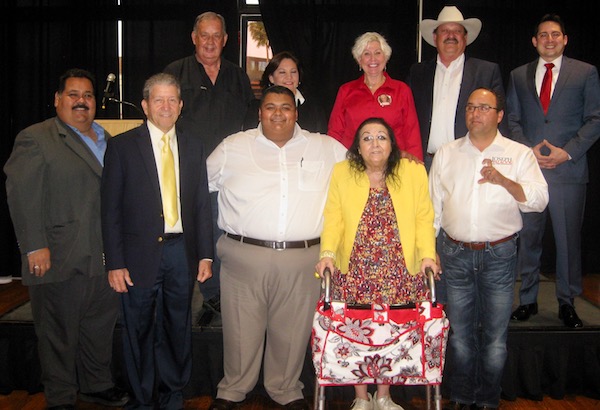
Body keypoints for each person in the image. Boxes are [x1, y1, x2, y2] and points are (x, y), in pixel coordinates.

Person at [207, 85, 346, 410]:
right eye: (270, 107)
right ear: (260, 112)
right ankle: (233, 390)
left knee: (293, 330)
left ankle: (285, 390)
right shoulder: (232, 147)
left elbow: (365, 173)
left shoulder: (325, 147)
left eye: (285, 107)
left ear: (296, 112)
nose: (278, 114)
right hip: (244, 258)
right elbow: (196, 187)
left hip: (303, 260)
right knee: (241, 331)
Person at [4, 68, 129, 410]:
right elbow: (21, 194)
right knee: (58, 333)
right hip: (58, 255)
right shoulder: (37, 138)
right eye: (73, 95)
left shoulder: (108, 140)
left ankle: (96, 385)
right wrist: (34, 246)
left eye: (87, 96)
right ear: (58, 100)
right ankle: (59, 397)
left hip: (104, 257)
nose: (81, 102)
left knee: (98, 328)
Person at [429, 88, 548, 410]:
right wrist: (430, 248)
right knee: (461, 335)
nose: (475, 113)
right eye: (470, 107)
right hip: (454, 253)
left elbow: (539, 201)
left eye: (483, 108)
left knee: (495, 337)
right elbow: (433, 207)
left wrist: (505, 181)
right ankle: (463, 397)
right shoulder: (447, 152)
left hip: (500, 253)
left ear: (498, 115)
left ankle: (487, 400)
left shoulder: (519, 153)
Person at [101, 73, 213, 409]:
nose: (166, 107)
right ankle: (142, 397)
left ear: (180, 106)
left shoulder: (194, 145)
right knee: (138, 330)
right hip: (136, 255)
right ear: (146, 105)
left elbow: (200, 205)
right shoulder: (121, 146)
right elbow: (110, 210)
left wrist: (205, 255)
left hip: (181, 252)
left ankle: (172, 394)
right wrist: (115, 262)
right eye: (158, 100)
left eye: (172, 100)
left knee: (178, 327)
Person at [316, 117, 438, 410]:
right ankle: (361, 398)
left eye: (381, 137)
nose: (374, 143)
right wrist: (327, 254)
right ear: (357, 147)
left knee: (391, 332)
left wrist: (428, 255)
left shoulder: (412, 171)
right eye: (367, 138)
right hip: (356, 266)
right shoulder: (342, 172)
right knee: (356, 330)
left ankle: (383, 396)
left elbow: (424, 216)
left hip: (398, 266)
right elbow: (333, 217)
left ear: (392, 144)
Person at [506, 14, 600, 329]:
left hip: (568, 170)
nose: (549, 39)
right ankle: (528, 300)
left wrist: (568, 151)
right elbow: (512, 120)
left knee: (567, 240)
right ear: (534, 41)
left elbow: (596, 118)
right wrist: (526, 151)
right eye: (543, 35)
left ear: (565, 39)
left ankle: (567, 302)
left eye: (555, 34)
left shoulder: (585, 72)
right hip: (530, 173)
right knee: (529, 238)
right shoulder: (519, 75)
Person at [164, 11, 254, 326]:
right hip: (189, 174)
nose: (211, 42)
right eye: (205, 35)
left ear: (226, 40)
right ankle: (206, 298)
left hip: (229, 177)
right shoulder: (176, 73)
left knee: (223, 237)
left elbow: (248, 123)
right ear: (194, 37)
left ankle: (221, 297)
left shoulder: (238, 76)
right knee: (194, 238)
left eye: (217, 36)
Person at [408, 6, 505, 171]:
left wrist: (497, 160)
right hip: (426, 163)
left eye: (457, 31)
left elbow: (500, 119)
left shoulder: (486, 72)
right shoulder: (417, 73)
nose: (451, 35)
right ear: (435, 37)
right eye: (445, 30)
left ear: (465, 38)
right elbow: (406, 117)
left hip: (470, 161)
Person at [328, 32, 422, 161]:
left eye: (378, 53)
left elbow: (412, 133)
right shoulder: (346, 91)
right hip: (352, 163)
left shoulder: (401, 90)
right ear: (359, 60)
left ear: (386, 57)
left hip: (393, 165)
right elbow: (334, 133)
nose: (373, 59)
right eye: (366, 54)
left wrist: (416, 168)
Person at [243, 51, 327, 133]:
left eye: (293, 72)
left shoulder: (315, 107)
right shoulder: (256, 107)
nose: (289, 77)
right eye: (282, 72)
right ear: (271, 78)